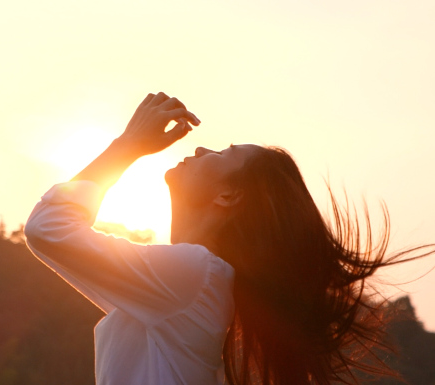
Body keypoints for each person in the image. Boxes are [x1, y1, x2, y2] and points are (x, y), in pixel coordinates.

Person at [24, 92, 432, 385]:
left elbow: (48, 228)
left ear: (227, 196)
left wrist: (127, 145)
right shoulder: (187, 282)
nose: (201, 148)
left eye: (222, 153)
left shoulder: (193, 274)